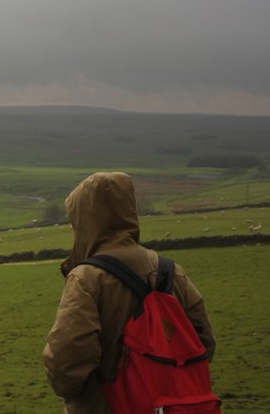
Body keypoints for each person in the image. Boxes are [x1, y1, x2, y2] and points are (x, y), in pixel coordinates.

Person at [43, 172, 216, 413]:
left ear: (86, 221)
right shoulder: (172, 272)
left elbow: (66, 363)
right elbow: (204, 342)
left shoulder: (86, 279)